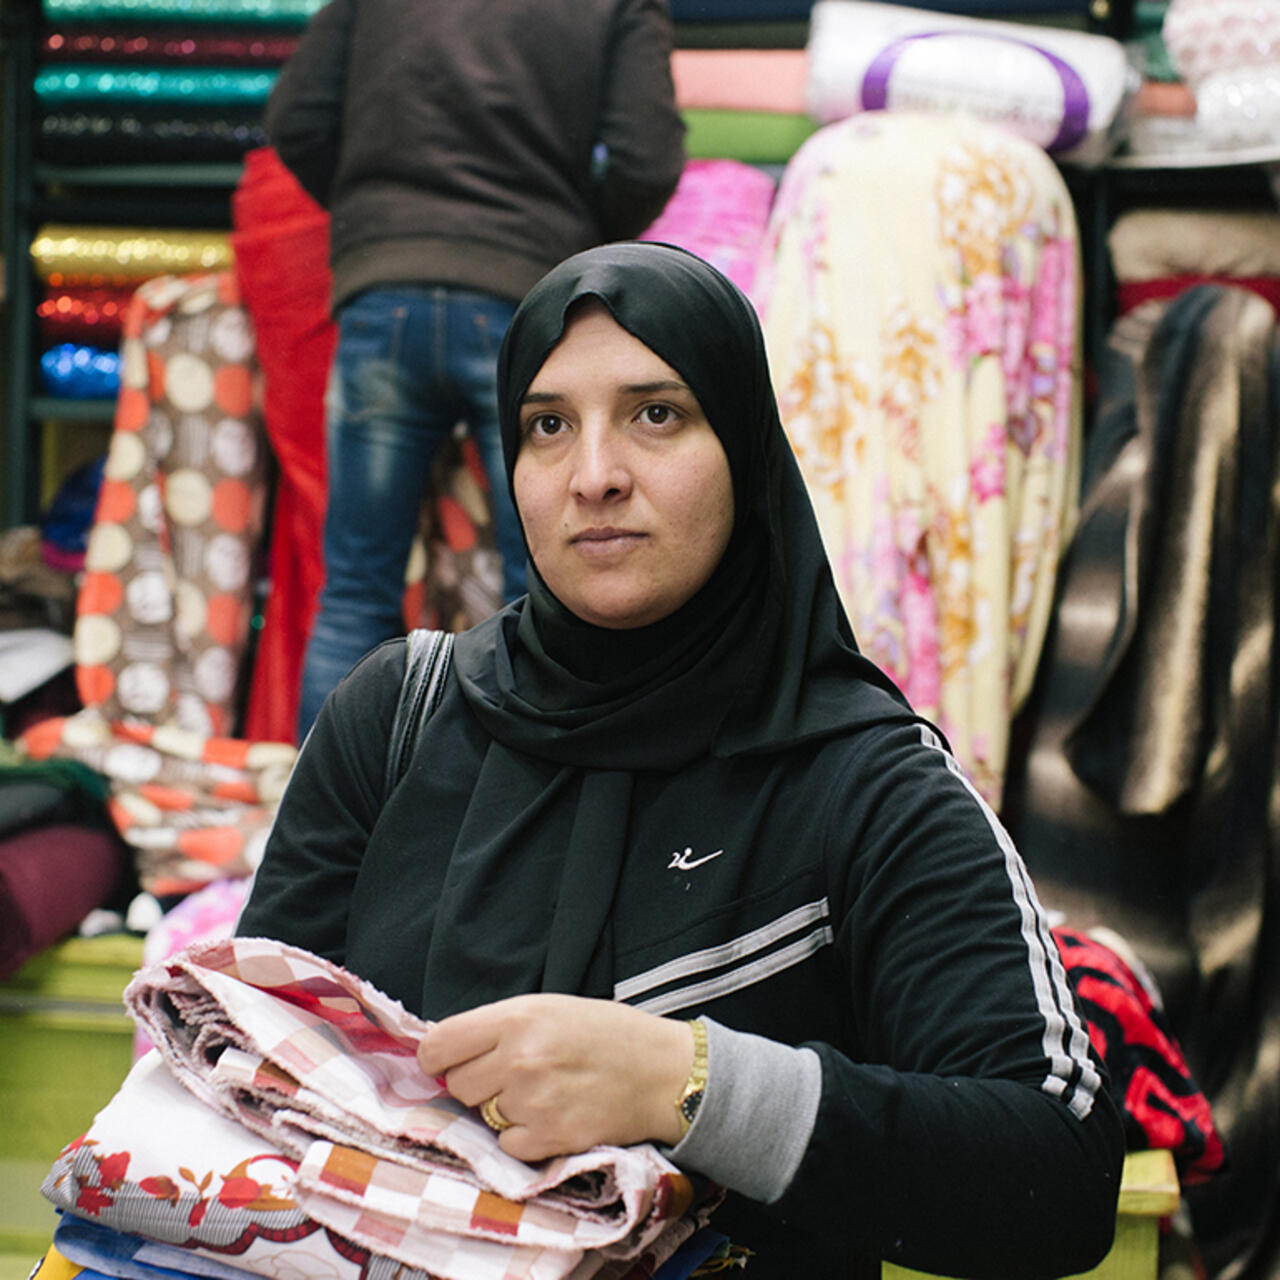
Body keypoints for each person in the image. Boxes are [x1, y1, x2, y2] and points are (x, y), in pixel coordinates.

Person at [237, 242, 1125, 1278]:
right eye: (547, 424)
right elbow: (242, 1071)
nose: (595, 473)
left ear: (743, 448)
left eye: (655, 413)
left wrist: (689, 1084)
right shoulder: (399, 718)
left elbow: (1056, 1167)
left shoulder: (858, 779)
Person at [262, 0, 686, 740]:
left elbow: (297, 119)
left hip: (383, 292)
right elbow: (647, 157)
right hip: (521, 303)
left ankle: (318, 840)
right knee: (559, 588)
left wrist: (381, 221)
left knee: (356, 591)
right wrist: (566, 244)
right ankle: (547, 828)